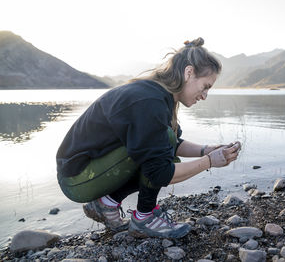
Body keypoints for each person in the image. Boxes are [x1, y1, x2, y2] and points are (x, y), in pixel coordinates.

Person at [56, 37, 241, 239]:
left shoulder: (158, 95)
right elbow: (160, 172)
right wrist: (209, 162)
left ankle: (106, 204)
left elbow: (173, 143)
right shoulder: (149, 101)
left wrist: (207, 150)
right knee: (160, 159)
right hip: (78, 178)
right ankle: (145, 218)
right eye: (205, 86)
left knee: (162, 148)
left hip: (89, 170)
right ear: (189, 73)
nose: (205, 95)